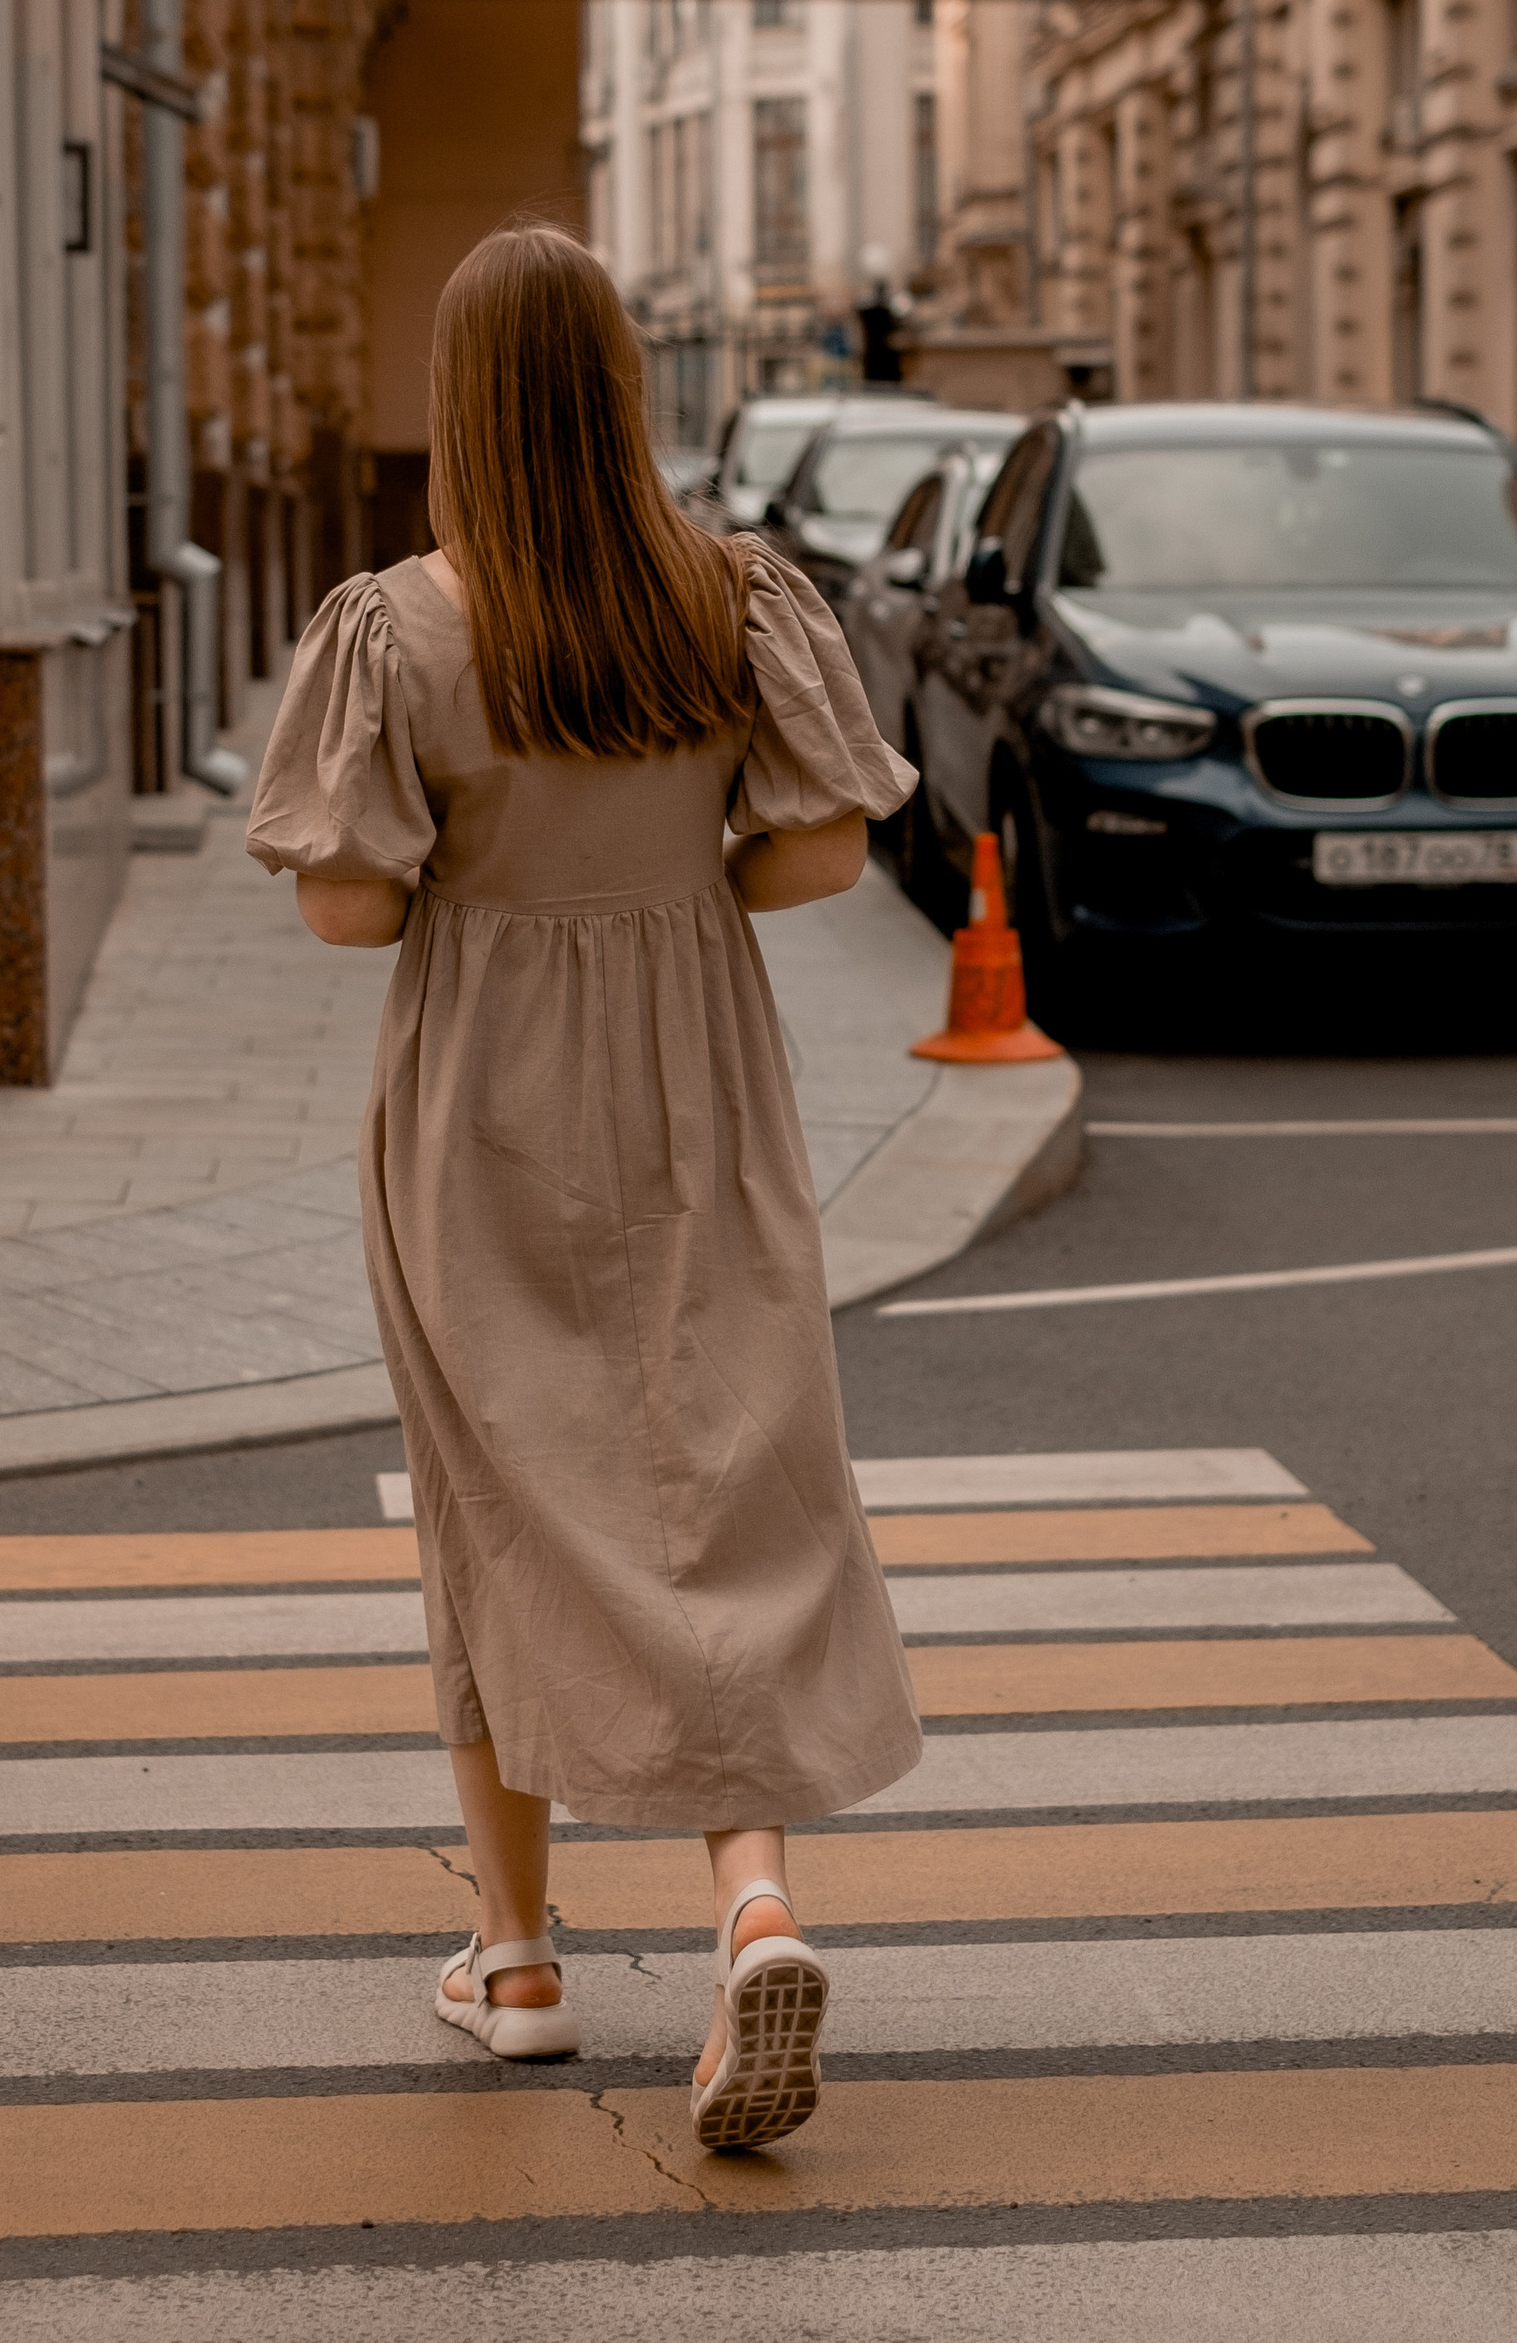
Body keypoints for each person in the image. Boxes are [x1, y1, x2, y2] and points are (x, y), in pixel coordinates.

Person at [246, 225, 922, 2152]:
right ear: (622, 386)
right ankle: (755, 1897)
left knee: (502, 1489)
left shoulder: (402, 623)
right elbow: (814, 860)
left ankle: (523, 1959)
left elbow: (345, 901)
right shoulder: (725, 597)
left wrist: (482, 858)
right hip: (696, 1077)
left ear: (457, 404)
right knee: (723, 1470)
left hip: (484, 1099)